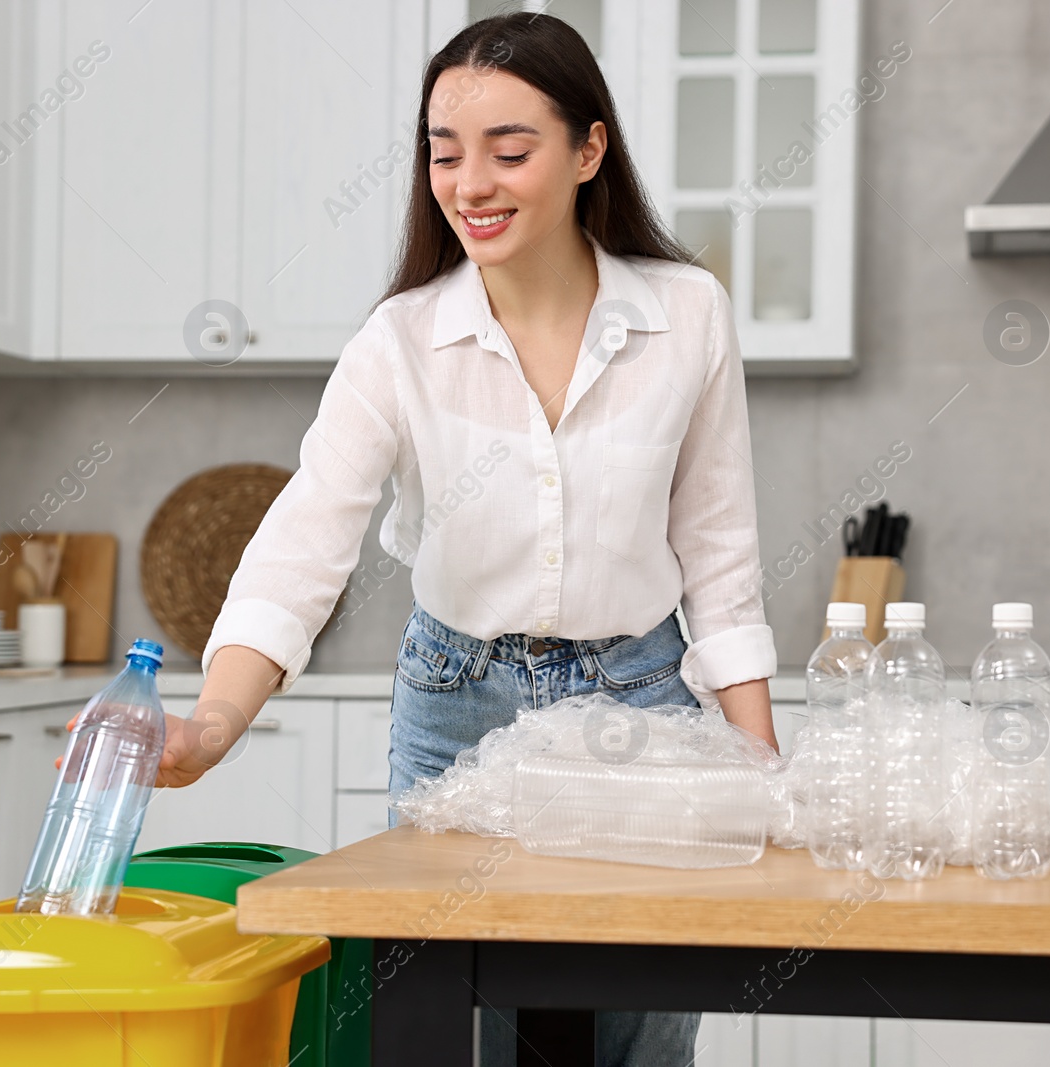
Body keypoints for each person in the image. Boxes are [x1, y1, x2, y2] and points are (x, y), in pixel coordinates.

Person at [162, 12, 779, 1066]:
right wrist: (214, 719)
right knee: (454, 1032)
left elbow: (717, 549)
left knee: (639, 1031)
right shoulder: (400, 340)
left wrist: (758, 761)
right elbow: (307, 535)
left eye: (510, 150)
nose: (470, 184)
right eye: (445, 153)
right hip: (459, 708)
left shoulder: (687, 314)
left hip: (642, 703)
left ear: (589, 151)